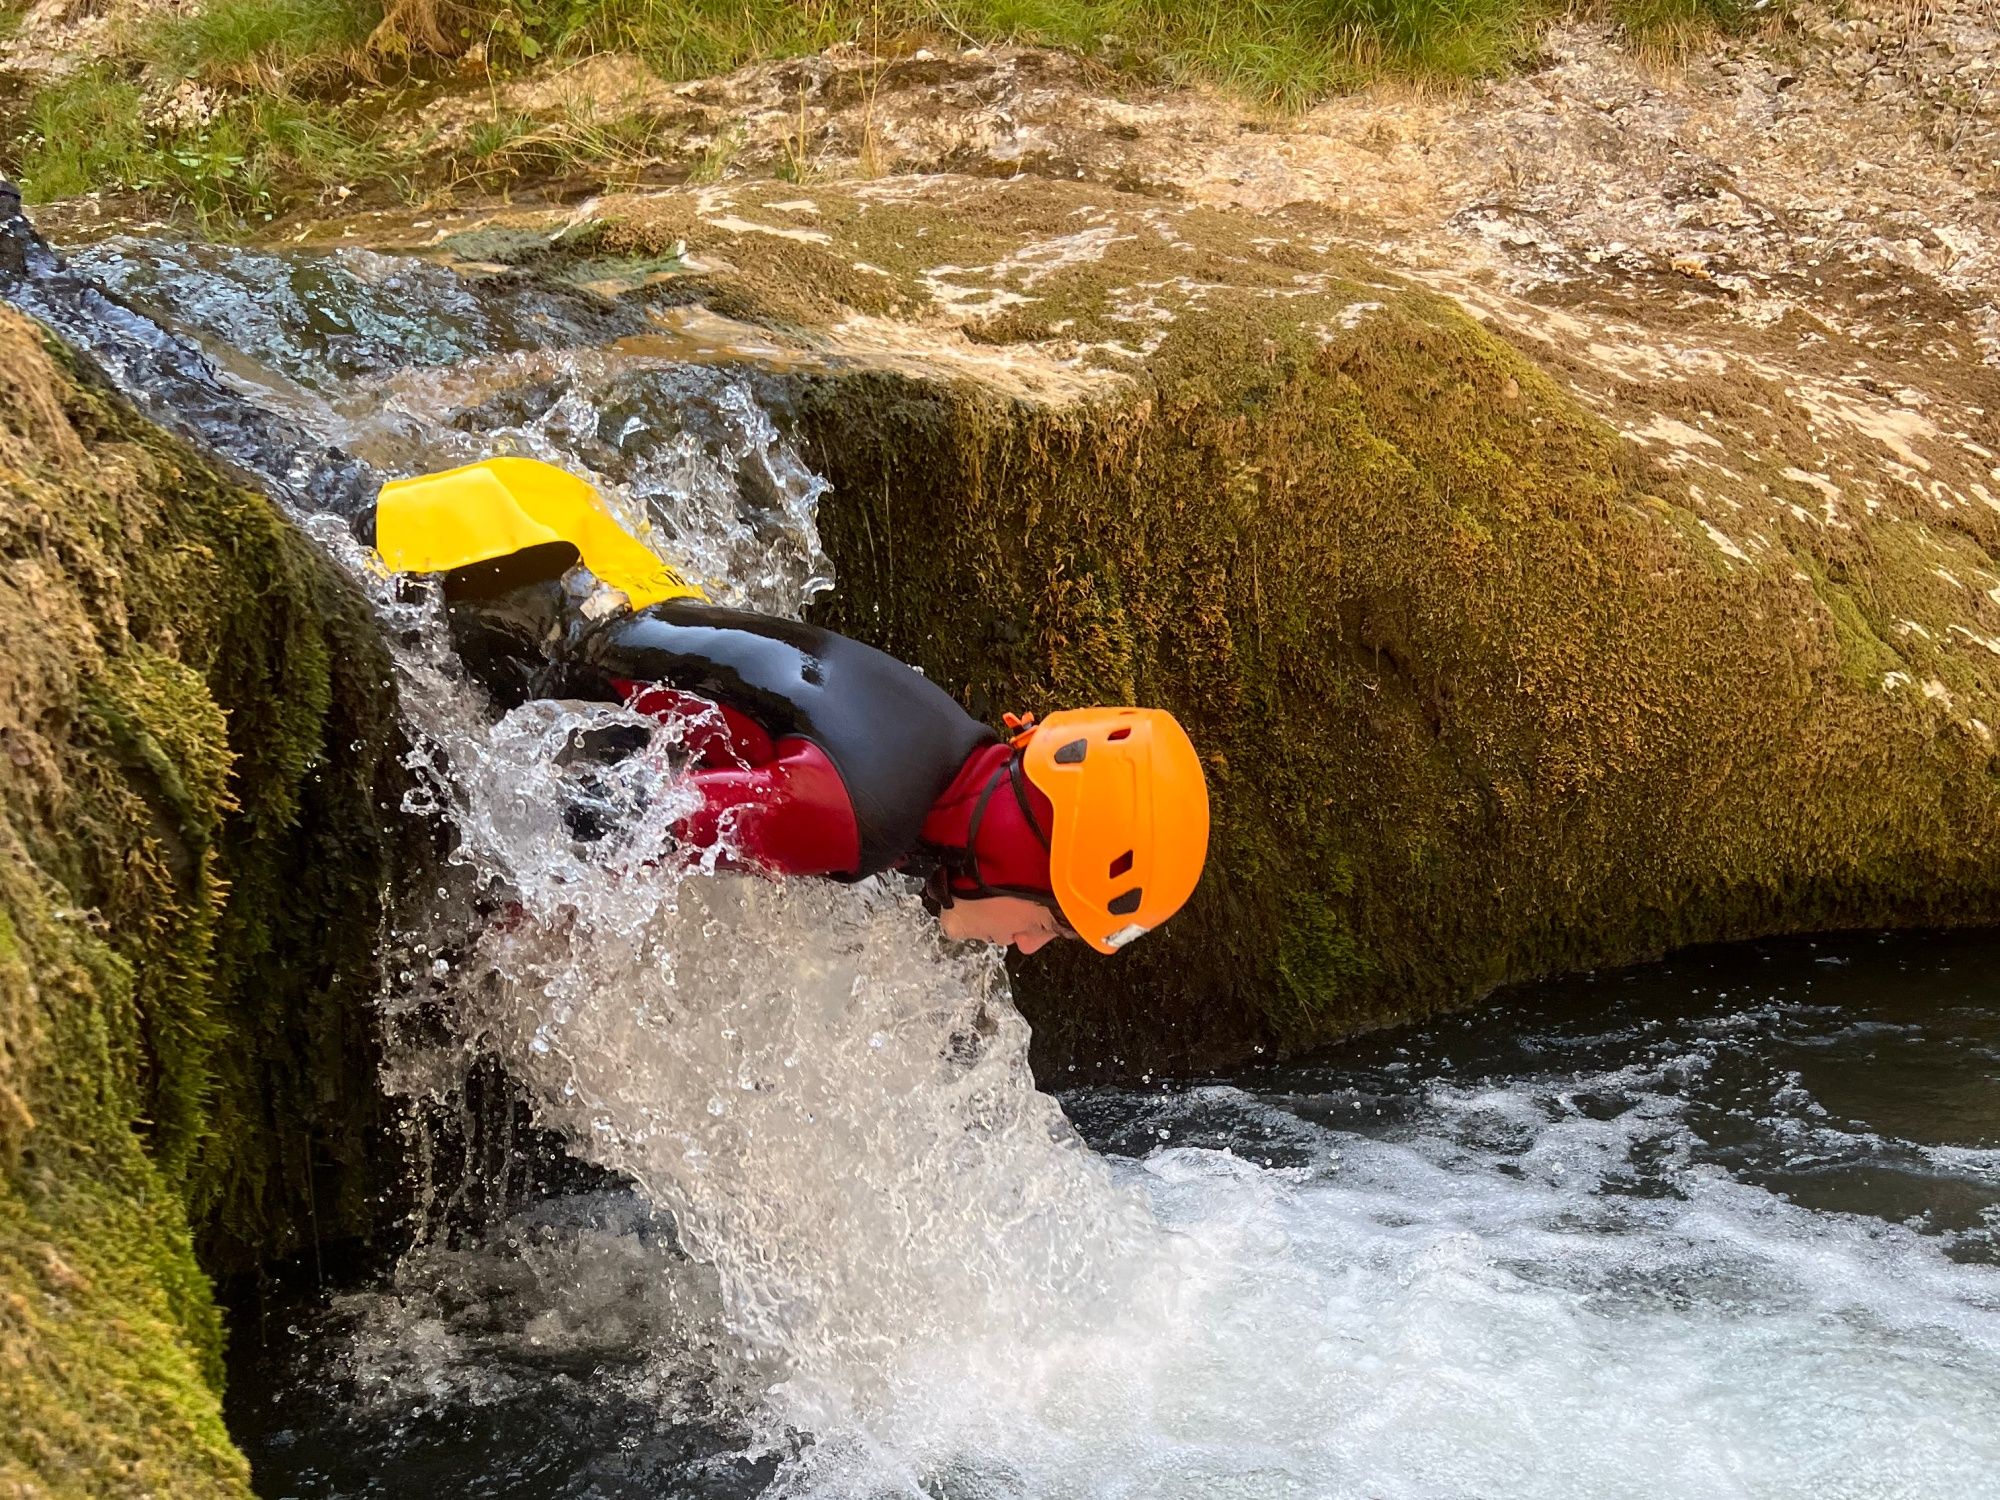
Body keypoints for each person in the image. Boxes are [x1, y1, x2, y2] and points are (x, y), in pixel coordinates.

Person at [371, 456, 1209, 954]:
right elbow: (605, 816)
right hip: (489, 590)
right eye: (1052, 928)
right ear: (1027, 855)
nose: (1024, 946)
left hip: (564, 541)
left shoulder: (940, 737)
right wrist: (505, 938)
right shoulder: (850, 819)